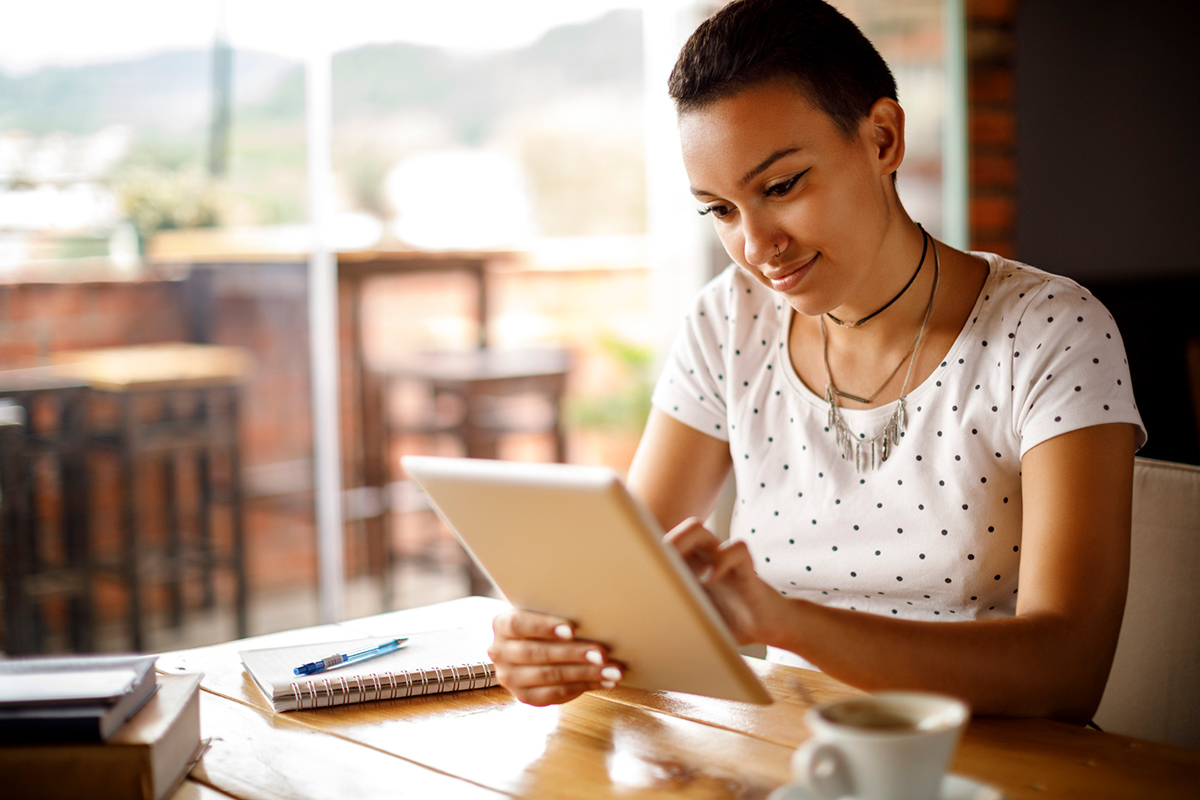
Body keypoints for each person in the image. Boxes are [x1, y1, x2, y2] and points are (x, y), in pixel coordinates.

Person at [487, 0, 1145, 723]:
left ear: (884, 138)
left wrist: (790, 623)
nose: (756, 245)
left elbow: (1068, 671)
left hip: (992, 764)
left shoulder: (1050, 331)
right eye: (721, 210)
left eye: (779, 187)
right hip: (787, 754)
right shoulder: (730, 319)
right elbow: (627, 583)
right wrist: (554, 641)